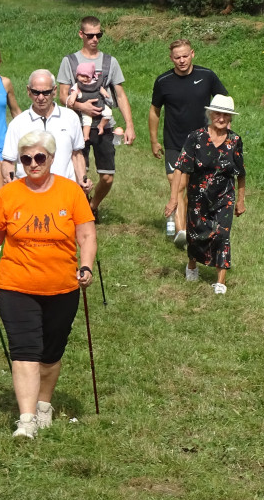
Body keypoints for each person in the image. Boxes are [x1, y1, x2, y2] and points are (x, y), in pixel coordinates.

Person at [0, 130, 96, 439]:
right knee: (25, 352)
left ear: (51, 158)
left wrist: (85, 266)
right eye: (26, 159)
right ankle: (27, 420)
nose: (33, 164)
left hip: (62, 287)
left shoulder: (71, 193)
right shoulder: (9, 194)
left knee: (50, 353)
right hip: (15, 285)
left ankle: (44, 403)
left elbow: (86, 235)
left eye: (39, 158)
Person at [149, 38, 228, 245]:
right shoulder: (163, 81)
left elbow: (224, 103)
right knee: (178, 183)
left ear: (192, 54)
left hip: (202, 142)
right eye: (177, 57)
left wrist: (223, 131)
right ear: (171, 58)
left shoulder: (207, 76)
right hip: (175, 141)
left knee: (195, 188)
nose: (182, 61)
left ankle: (184, 221)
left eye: (185, 56)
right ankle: (182, 232)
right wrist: (153, 140)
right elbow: (155, 111)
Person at [164, 95, 246, 295]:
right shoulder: (196, 137)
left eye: (226, 115)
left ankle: (220, 282)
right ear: (210, 114)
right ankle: (192, 264)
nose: (221, 118)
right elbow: (180, 168)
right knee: (196, 235)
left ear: (230, 118)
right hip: (198, 196)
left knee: (222, 234)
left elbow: (240, 173)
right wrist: (174, 198)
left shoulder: (234, 141)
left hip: (224, 197)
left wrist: (241, 200)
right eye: (217, 113)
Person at [57, 16, 136, 214]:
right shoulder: (70, 61)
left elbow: (120, 94)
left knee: (107, 176)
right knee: (79, 175)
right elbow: (62, 95)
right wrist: (82, 107)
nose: (95, 39)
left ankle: (93, 206)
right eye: (90, 35)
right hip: (77, 126)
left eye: (98, 35)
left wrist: (129, 125)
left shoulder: (110, 62)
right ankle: (81, 210)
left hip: (104, 127)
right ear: (81, 34)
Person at [2, 69, 92, 197]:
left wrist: (83, 180)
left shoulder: (70, 118)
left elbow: (76, 154)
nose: (40, 97)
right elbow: (8, 161)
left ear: (54, 91)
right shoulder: (18, 123)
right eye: (36, 92)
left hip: (64, 192)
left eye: (46, 93)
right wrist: (11, 183)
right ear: (28, 91)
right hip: (29, 194)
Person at [65, 60, 124, 143]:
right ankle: (85, 136)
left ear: (92, 76)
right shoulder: (78, 85)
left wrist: (105, 93)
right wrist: (72, 99)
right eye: (82, 76)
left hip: (99, 105)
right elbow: (74, 92)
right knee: (87, 122)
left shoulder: (95, 83)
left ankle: (101, 125)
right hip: (85, 108)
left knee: (108, 113)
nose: (85, 79)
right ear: (77, 76)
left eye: (88, 76)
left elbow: (100, 88)